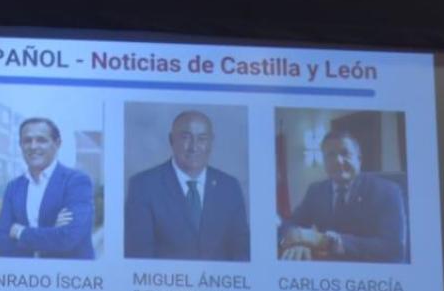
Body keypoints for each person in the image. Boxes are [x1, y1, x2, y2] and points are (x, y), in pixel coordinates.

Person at [124, 110, 250, 261]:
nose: (194, 147)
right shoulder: (143, 186)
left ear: (211, 142)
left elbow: (241, 252)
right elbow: (139, 257)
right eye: (186, 137)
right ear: (171, 140)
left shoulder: (229, 187)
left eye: (202, 139)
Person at [278, 128, 407, 262]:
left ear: (359, 159)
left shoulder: (387, 191)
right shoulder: (315, 191)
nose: (338, 161)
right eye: (330, 155)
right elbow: (291, 224)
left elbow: (393, 248)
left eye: (345, 153)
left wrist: (328, 241)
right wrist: (298, 242)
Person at [0, 118, 95, 259]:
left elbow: (68, 238)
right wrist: (52, 230)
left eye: (41, 140)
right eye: (27, 141)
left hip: (68, 277)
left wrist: (20, 233)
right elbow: (1, 240)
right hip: (27, 276)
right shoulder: (14, 187)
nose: (33, 146)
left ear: (57, 144)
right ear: (20, 145)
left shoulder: (76, 181)